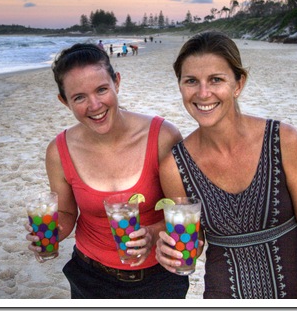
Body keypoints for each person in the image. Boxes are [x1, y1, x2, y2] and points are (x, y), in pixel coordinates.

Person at [155, 31, 297, 299]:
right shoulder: (174, 166)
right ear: (180, 86)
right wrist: (171, 250)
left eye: (216, 79)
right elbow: (195, 239)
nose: (203, 93)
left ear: (238, 84)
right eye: (191, 81)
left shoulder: (284, 140)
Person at [25, 43, 189, 298]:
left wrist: (152, 233)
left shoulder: (163, 136)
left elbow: (182, 210)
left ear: (117, 83)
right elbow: (67, 212)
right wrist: (51, 235)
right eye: (79, 97)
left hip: (159, 277)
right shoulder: (58, 151)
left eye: (101, 90)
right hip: (90, 278)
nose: (94, 105)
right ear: (64, 101)